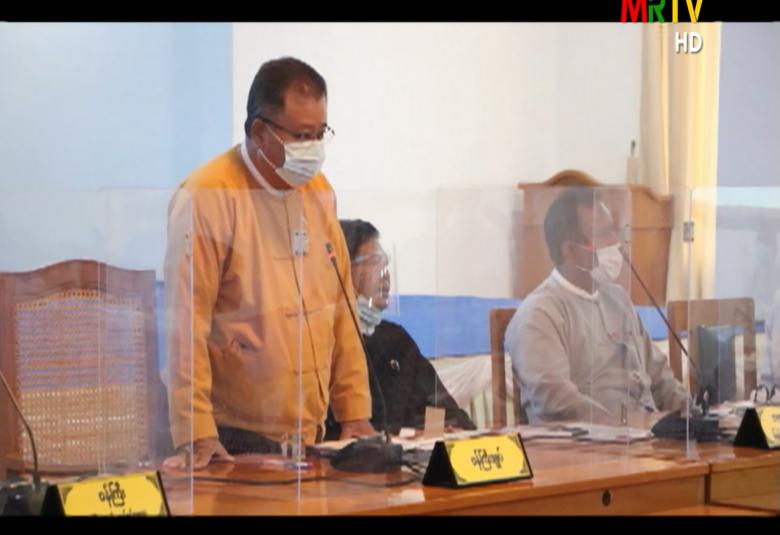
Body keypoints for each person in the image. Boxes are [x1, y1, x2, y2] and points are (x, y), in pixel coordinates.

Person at [163, 57, 374, 470]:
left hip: (311, 437)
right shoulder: (207, 197)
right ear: (260, 132)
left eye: (320, 134)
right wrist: (197, 432)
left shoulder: (319, 192)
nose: (313, 148)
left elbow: (341, 312)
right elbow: (185, 327)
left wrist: (355, 413)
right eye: (301, 136)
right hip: (232, 437)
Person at [506, 188, 689, 425]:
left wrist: (696, 415)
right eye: (603, 234)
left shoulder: (618, 300)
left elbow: (660, 378)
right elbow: (557, 400)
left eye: (613, 230)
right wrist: (630, 425)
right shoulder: (540, 314)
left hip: (646, 437)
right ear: (570, 250)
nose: (616, 244)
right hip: (590, 443)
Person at [325, 219, 475, 438]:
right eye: (374, 262)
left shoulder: (395, 339)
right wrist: (407, 434)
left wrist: (439, 430)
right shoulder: (327, 343)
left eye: (385, 263)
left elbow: (440, 408)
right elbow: (337, 432)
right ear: (344, 270)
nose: (385, 274)